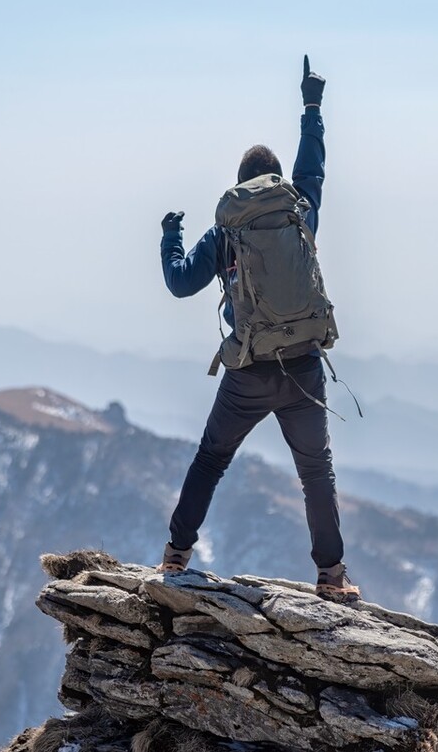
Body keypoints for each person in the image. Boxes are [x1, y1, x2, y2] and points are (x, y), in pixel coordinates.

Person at [155, 56, 359, 602]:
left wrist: (170, 236)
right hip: (304, 365)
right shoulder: (299, 210)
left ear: (239, 185)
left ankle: (175, 556)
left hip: (248, 369)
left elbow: (180, 283)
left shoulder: (226, 229)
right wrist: (311, 106)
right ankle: (332, 576)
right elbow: (313, 169)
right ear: (276, 180)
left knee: (211, 459)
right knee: (316, 472)